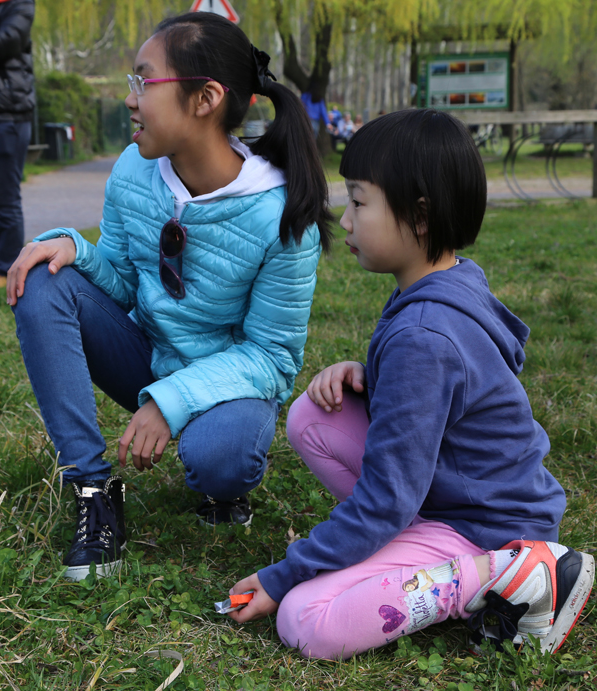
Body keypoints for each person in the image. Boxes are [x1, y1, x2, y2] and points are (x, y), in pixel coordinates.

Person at [228, 109, 595, 659]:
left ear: (418, 217)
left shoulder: (424, 336)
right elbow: (443, 396)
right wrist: (373, 378)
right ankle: (413, 551)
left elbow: (385, 498)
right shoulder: (447, 280)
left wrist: (287, 574)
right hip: (458, 495)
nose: (345, 220)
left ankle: (516, 573)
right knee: (313, 416)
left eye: (358, 201)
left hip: (486, 525)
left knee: (307, 619)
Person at [6, 12, 333, 581]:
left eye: (142, 81)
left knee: (218, 461)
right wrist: (73, 250)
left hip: (228, 385)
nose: (129, 99)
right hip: (146, 356)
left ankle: (225, 491)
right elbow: (126, 280)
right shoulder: (136, 166)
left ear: (204, 98)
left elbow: (273, 359)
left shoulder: (282, 215)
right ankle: (94, 489)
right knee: (43, 276)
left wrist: (171, 401)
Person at [0, 0, 35, 287]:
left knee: (6, 198)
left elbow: (8, 40)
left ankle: (4, 271)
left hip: (8, 115)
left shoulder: (20, 5)